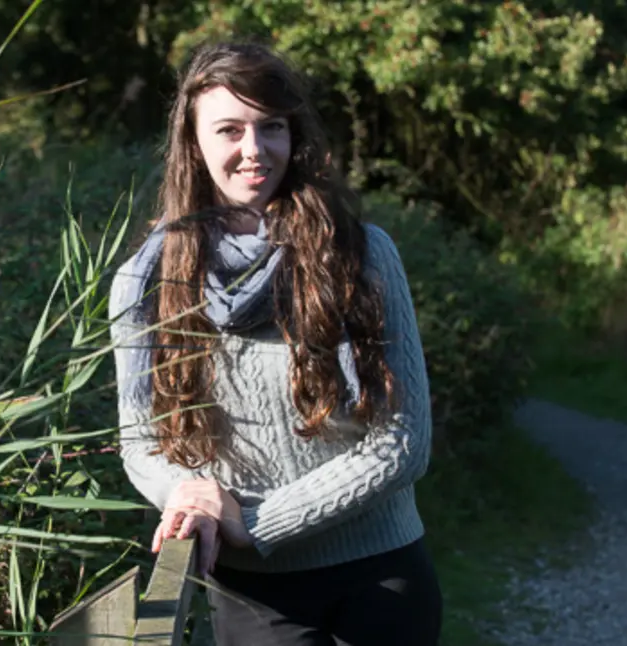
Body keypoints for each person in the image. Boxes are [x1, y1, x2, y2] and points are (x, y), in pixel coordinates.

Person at [107, 42, 442, 646]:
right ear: (193, 141)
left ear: (296, 136)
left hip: (381, 578)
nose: (253, 151)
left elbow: (404, 446)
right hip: (254, 596)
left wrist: (256, 522)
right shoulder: (147, 280)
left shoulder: (362, 256)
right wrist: (186, 492)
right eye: (229, 129)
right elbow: (139, 440)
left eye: (272, 127)